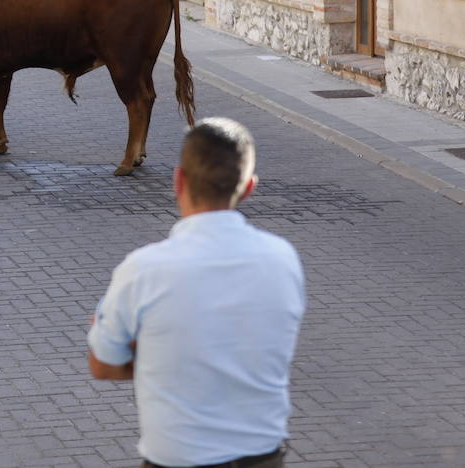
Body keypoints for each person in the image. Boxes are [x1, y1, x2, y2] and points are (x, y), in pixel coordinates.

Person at [87, 118, 305, 468]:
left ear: (178, 181)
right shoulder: (283, 259)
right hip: (263, 457)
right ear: (248, 187)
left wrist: (162, 354)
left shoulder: (143, 269)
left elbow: (103, 365)